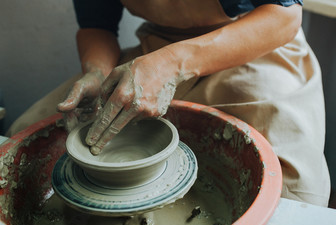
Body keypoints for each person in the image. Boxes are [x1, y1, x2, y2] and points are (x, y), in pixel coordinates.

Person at [7, 0, 330, 206]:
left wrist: (173, 64)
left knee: (286, 184)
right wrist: (96, 72)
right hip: (156, 46)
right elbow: (97, 25)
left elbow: (284, 15)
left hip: (251, 43)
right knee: (30, 136)